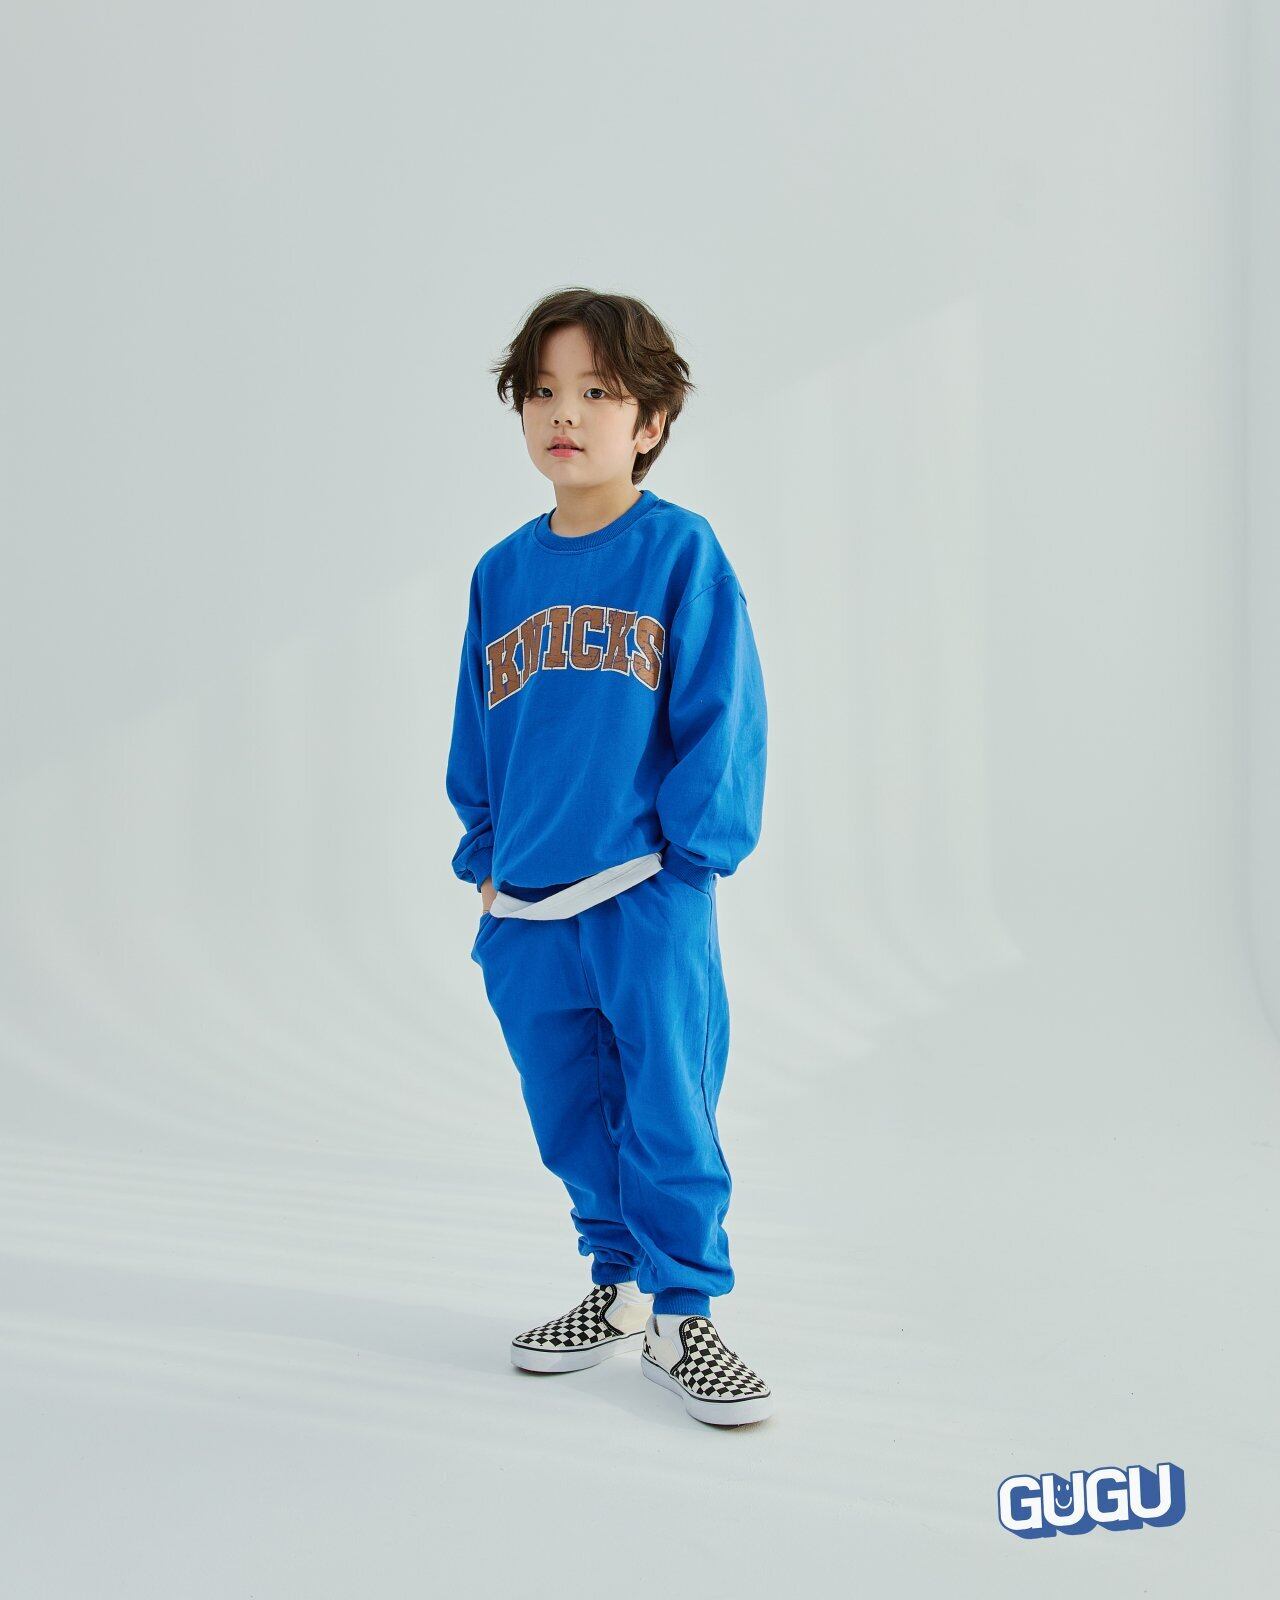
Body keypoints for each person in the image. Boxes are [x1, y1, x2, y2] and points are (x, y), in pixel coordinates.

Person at [445, 287, 773, 1427]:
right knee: (569, 1112)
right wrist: (485, 860)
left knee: (668, 1105)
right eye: (542, 391)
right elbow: (478, 730)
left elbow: (722, 714)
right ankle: (619, 1285)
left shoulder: (678, 551)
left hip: (644, 890)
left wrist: (691, 860)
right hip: (526, 906)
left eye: (596, 390)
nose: (564, 414)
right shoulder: (501, 573)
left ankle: (685, 1313)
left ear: (650, 421)